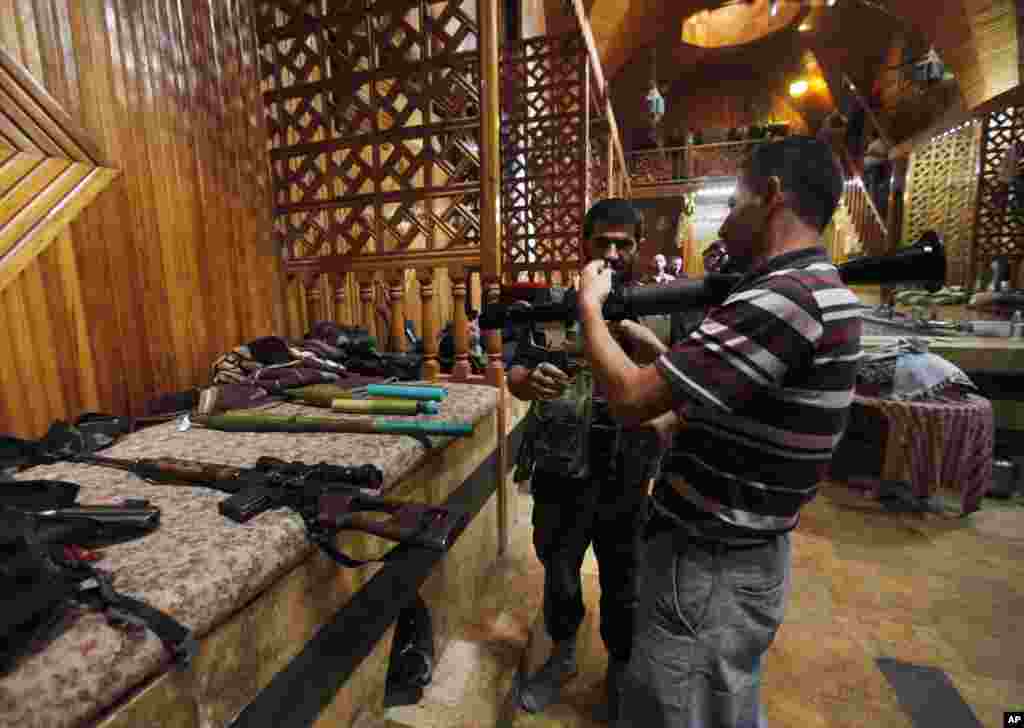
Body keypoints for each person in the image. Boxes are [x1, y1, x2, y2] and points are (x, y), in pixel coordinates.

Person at [576, 136, 860, 727]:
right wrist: (663, 357)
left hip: (712, 560)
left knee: (679, 709)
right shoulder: (812, 288)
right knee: (715, 705)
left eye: (733, 202)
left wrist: (589, 309)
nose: (726, 221)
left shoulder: (786, 297)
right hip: (733, 555)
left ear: (773, 196)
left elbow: (629, 400)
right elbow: (721, 416)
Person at [507, 198, 663, 722]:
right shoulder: (554, 303)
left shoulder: (663, 308)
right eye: (603, 243)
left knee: (624, 579)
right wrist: (529, 380)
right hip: (560, 466)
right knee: (559, 570)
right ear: (584, 244)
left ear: (640, 247)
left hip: (628, 470)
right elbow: (516, 372)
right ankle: (564, 653)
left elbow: (685, 385)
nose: (613, 254)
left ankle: (620, 667)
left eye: (624, 244)